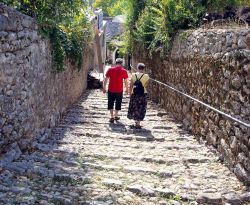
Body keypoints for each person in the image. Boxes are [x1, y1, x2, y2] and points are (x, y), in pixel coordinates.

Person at [103, 58, 128, 123]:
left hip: (111, 89)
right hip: (119, 90)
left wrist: (104, 87)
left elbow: (106, 79)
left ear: (115, 62)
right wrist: (127, 89)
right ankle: (116, 115)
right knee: (118, 102)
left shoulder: (110, 69)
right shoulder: (124, 71)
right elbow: (125, 81)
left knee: (110, 102)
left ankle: (112, 117)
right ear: (121, 63)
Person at [127, 63, 149, 129]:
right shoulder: (146, 76)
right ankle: (138, 122)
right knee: (141, 107)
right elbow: (145, 85)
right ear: (144, 69)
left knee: (135, 107)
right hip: (143, 94)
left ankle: (136, 122)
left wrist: (130, 92)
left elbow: (131, 85)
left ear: (137, 68)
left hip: (135, 93)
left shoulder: (133, 75)